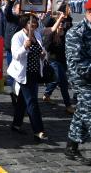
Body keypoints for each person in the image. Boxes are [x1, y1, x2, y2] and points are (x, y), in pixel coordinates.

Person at [7, 14, 47, 142]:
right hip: (23, 73)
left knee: (23, 101)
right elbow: (16, 56)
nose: (34, 25)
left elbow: (42, 50)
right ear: (25, 24)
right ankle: (38, 130)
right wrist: (25, 47)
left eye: (35, 22)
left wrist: (43, 54)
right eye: (31, 23)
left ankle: (16, 124)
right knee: (32, 101)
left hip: (35, 72)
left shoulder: (37, 34)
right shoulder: (18, 36)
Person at [64, 0, 91, 165]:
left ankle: (71, 147)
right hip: (82, 80)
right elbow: (80, 65)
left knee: (82, 112)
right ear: (88, 13)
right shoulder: (76, 33)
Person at [42, 11, 74, 114]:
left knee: (56, 80)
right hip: (53, 61)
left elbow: (70, 23)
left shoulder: (65, 32)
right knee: (63, 82)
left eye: (62, 23)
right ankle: (68, 106)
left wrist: (66, 14)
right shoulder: (50, 34)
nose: (61, 25)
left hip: (63, 60)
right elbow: (47, 47)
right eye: (59, 23)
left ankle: (46, 95)